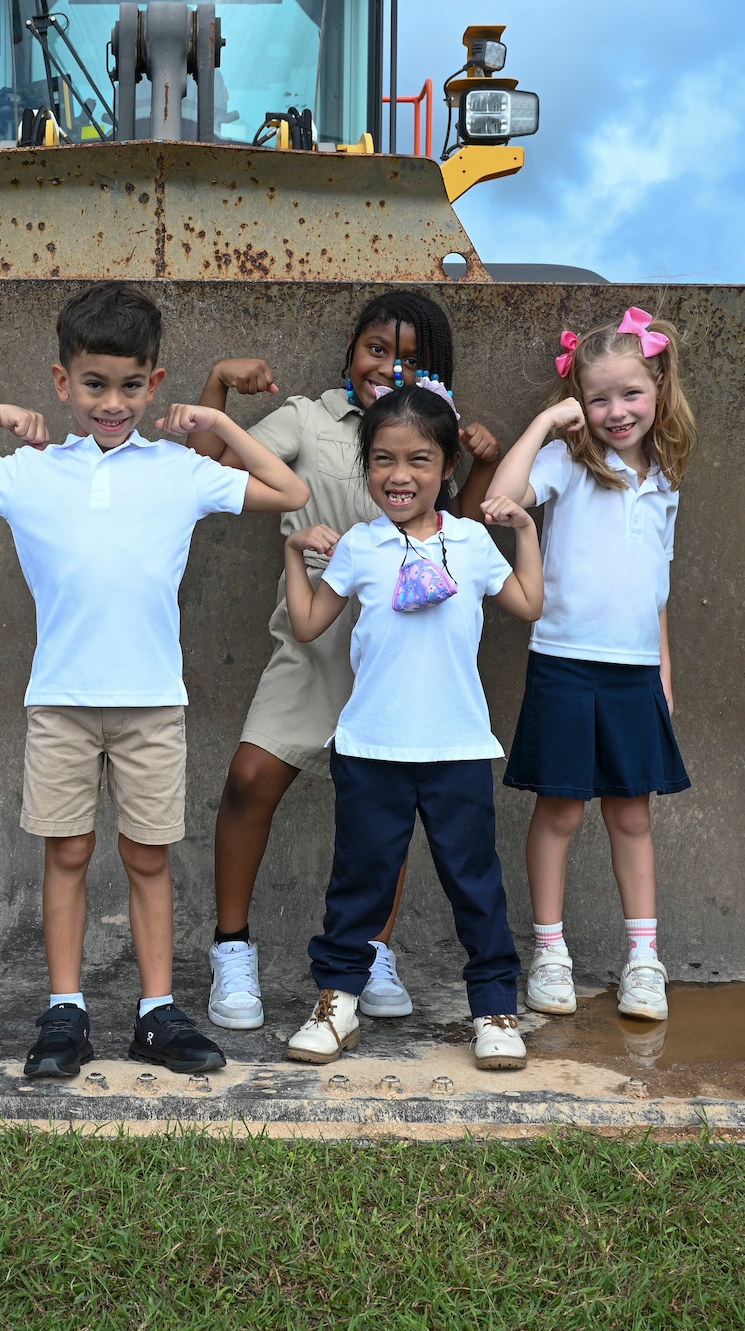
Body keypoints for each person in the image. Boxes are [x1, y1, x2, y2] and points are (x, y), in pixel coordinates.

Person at [0, 280, 310, 1079]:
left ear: (154, 385)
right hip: (61, 702)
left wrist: (220, 421)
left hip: (155, 703)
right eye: (93, 384)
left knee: (150, 857)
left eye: (128, 385)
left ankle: (157, 1012)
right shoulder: (28, 471)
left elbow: (289, 491)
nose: (110, 402)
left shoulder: (180, 471)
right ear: (61, 382)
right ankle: (66, 1009)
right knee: (70, 853)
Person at [185, 291, 502, 1030]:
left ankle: (371, 950)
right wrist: (219, 387)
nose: (390, 369)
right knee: (251, 777)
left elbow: (463, 534)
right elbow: (205, 471)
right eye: (377, 349)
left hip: (403, 656)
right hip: (315, 638)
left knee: (383, 817)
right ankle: (232, 948)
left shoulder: (433, 432)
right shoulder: (308, 417)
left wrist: (482, 460)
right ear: (351, 350)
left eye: (413, 360)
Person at [278, 383, 542, 1068]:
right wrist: (292, 552)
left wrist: (527, 531)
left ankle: (494, 1008)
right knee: (359, 883)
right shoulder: (359, 547)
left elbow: (529, 604)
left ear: (448, 466)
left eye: (420, 460)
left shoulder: (474, 542)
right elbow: (308, 626)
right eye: (384, 459)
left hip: (456, 749)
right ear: (366, 466)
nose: (400, 475)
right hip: (370, 749)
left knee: (474, 882)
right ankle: (338, 1004)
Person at [485, 308, 696, 1024]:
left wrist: (663, 674)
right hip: (566, 664)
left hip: (635, 673)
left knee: (632, 814)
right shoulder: (568, 465)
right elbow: (502, 501)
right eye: (599, 397)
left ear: (659, 387)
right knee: (561, 809)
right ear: (579, 400)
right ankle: (550, 951)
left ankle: (644, 959)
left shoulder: (666, 478)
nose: (616, 411)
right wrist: (547, 425)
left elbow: (657, 589)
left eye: (631, 393)